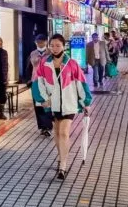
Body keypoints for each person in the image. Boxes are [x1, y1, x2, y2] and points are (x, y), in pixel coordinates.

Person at [32, 34, 92, 179]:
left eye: (58, 45)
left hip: (69, 104)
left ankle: (63, 166)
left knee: (64, 132)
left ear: (64, 46)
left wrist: (86, 102)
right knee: (58, 133)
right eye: (52, 46)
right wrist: (42, 99)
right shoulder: (44, 63)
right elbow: (37, 82)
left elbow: (81, 84)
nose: (54, 48)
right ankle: (61, 156)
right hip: (53, 105)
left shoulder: (72, 64)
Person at [28, 34, 53, 135]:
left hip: (48, 82)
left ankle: (48, 125)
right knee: (38, 104)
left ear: (46, 42)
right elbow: (30, 66)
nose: (40, 43)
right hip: (36, 81)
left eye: (42, 42)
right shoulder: (33, 53)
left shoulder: (51, 52)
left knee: (47, 104)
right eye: (38, 42)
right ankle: (43, 126)